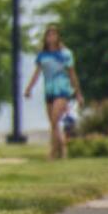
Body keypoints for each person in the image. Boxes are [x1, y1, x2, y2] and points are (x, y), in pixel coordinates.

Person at [25, 26, 79, 159]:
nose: (51, 38)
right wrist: (29, 88)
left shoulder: (66, 54)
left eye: (54, 35)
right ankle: (63, 149)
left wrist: (77, 92)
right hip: (49, 89)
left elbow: (72, 74)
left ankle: (53, 152)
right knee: (53, 123)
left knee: (55, 119)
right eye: (49, 35)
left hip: (62, 89)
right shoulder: (42, 56)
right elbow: (36, 73)